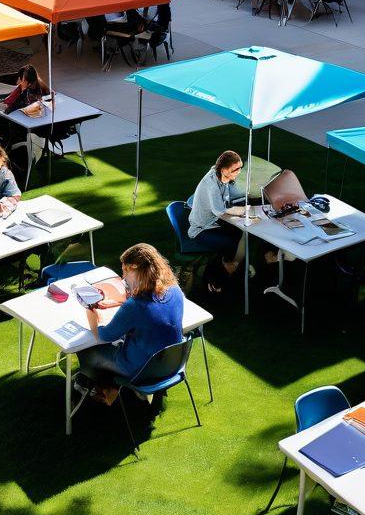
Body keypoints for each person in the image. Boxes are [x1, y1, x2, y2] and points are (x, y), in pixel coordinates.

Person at [79, 243, 184, 402]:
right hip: (171, 363)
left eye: (125, 271)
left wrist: (91, 310)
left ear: (135, 269)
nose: (123, 277)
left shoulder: (136, 306)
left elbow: (103, 336)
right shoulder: (175, 289)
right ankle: (114, 390)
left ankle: (104, 391)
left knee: (87, 350)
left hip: (142, 370)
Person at [188, 151, 248, 291]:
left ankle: (229, 270)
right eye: (235, 169)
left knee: (238, 233)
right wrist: (243, 210)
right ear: (224, 170)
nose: (238, 172)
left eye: (240, 168)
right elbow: (219, 211)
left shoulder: (220, 176)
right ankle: (215, 281)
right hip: (201, 228)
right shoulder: (212, 185)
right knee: (230, 245)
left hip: (212, 222)